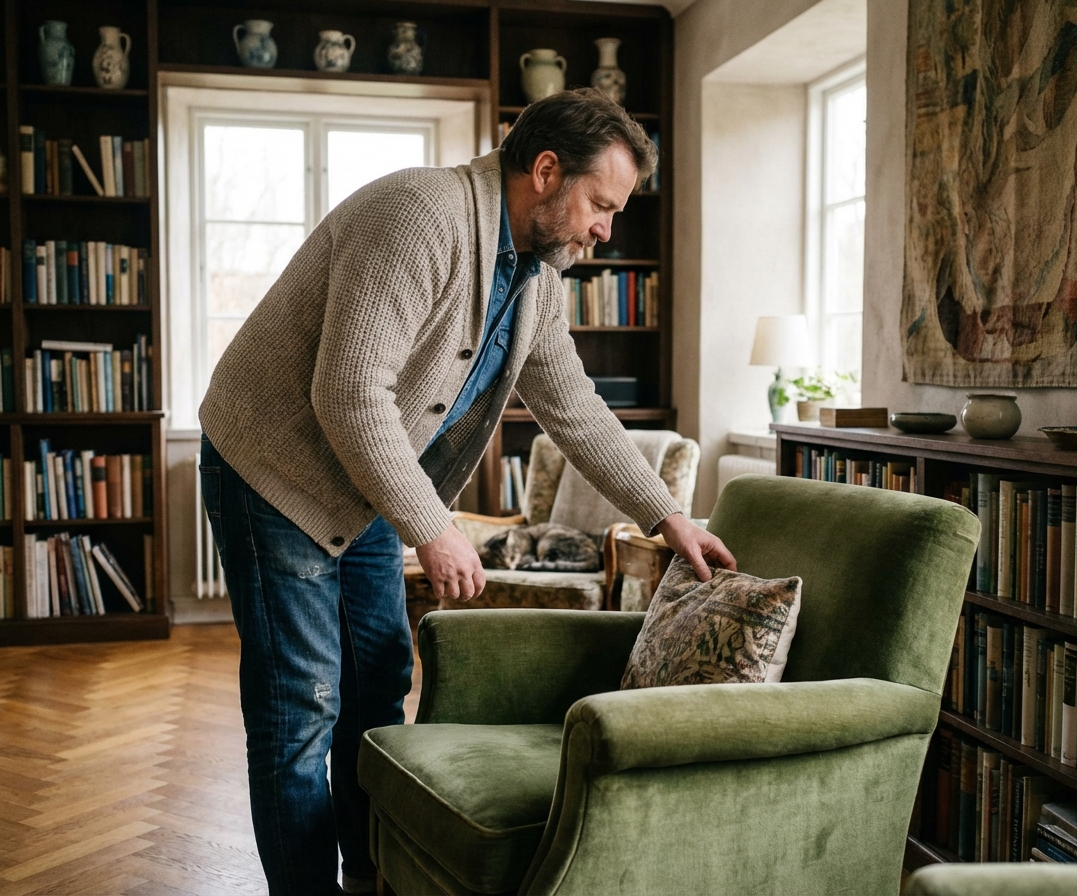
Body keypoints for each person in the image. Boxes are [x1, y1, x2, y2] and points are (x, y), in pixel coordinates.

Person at [198, 87, 735, 896]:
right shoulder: (420, 215)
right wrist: (432, 526)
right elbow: (348, 392)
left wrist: (665, 515)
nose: (604, 230)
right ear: (546, 171)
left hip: (369, 480)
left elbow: (577, 410)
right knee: (301, 711)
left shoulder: (538, 277)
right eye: (600, 204)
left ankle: (370, 879)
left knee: (377, 690)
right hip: (275, 471)